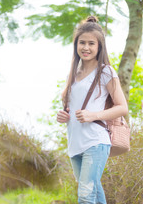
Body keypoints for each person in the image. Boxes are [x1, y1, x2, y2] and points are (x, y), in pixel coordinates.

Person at [56, 16, 128, 204]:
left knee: (86, 195)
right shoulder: (73, 74)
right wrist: (64, 116)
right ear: (76, 45)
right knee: (94, 192)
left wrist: (93, 115)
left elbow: (122, 107)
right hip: (75, 143)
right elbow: (73, 107)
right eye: (82, 43)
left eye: (91, 43)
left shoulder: (105, 72)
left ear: (99, 47)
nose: (86, 48)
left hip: (96, 141)